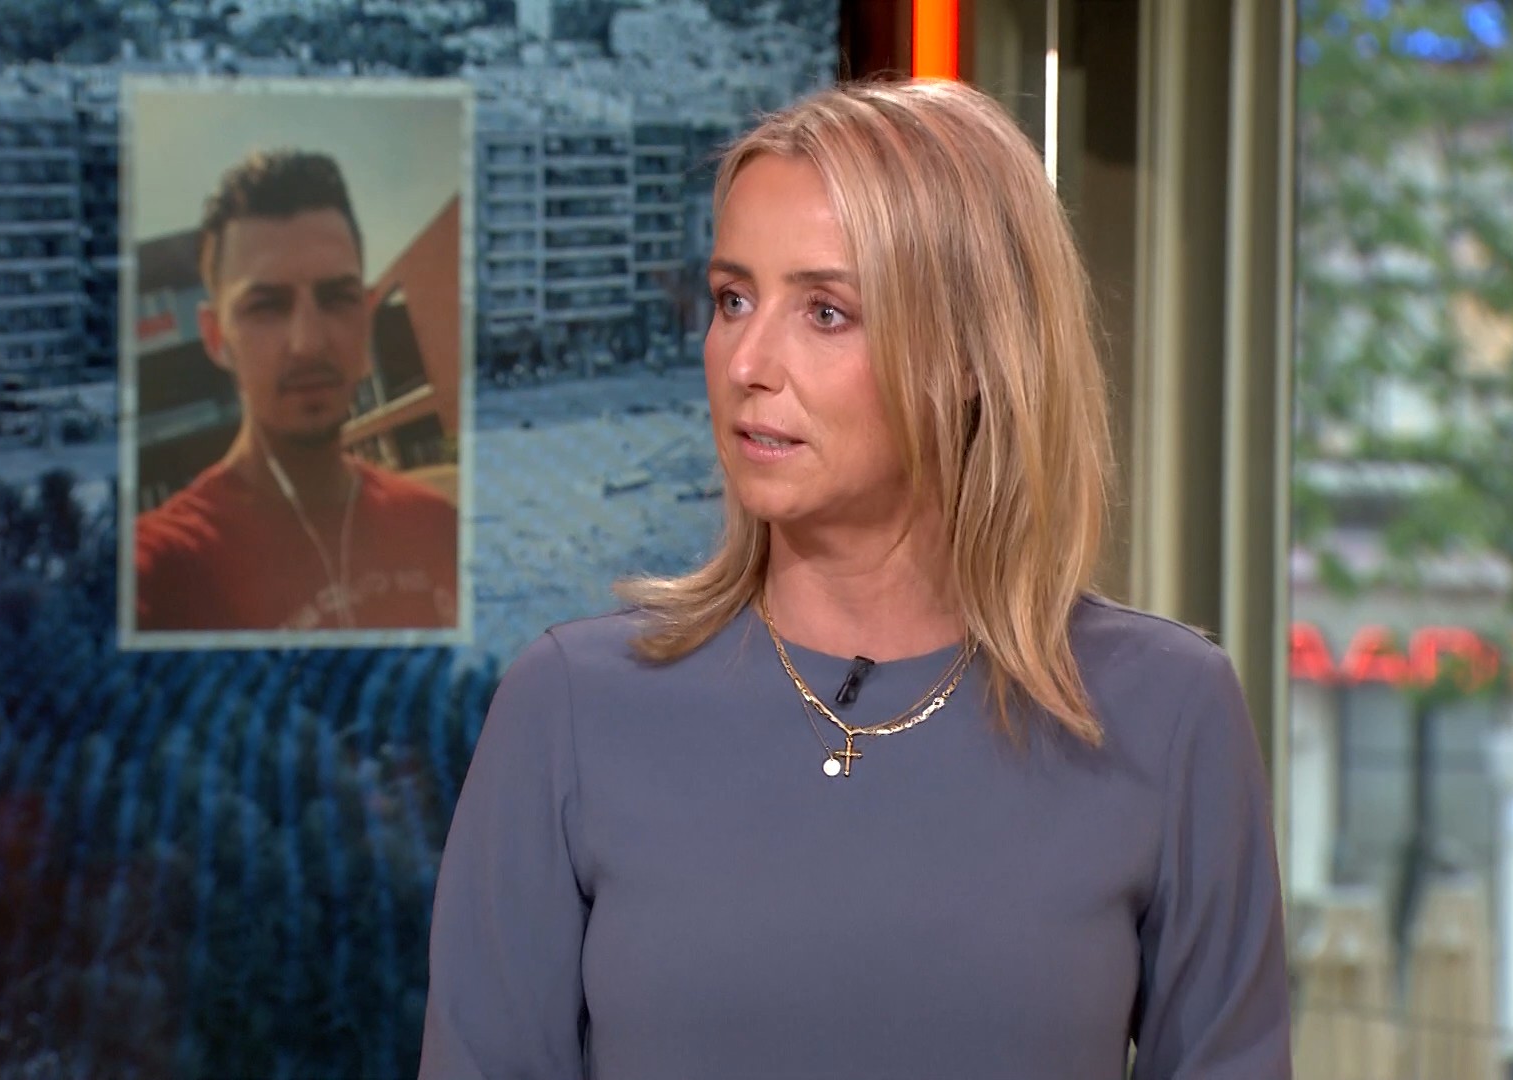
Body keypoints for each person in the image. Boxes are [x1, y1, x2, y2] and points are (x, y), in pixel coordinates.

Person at [420, 80, 1289, 1078]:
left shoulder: (1165, 713)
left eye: (825, 312)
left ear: (972, 353)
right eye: (732, 299)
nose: (746, 362)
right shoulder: (571, 709)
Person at [133, 150, 458, 633]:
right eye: (267, 306)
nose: (308, 342)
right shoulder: (158, 576)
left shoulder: (437, 525)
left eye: (336, 298)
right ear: (216, 337)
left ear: (366, 315)